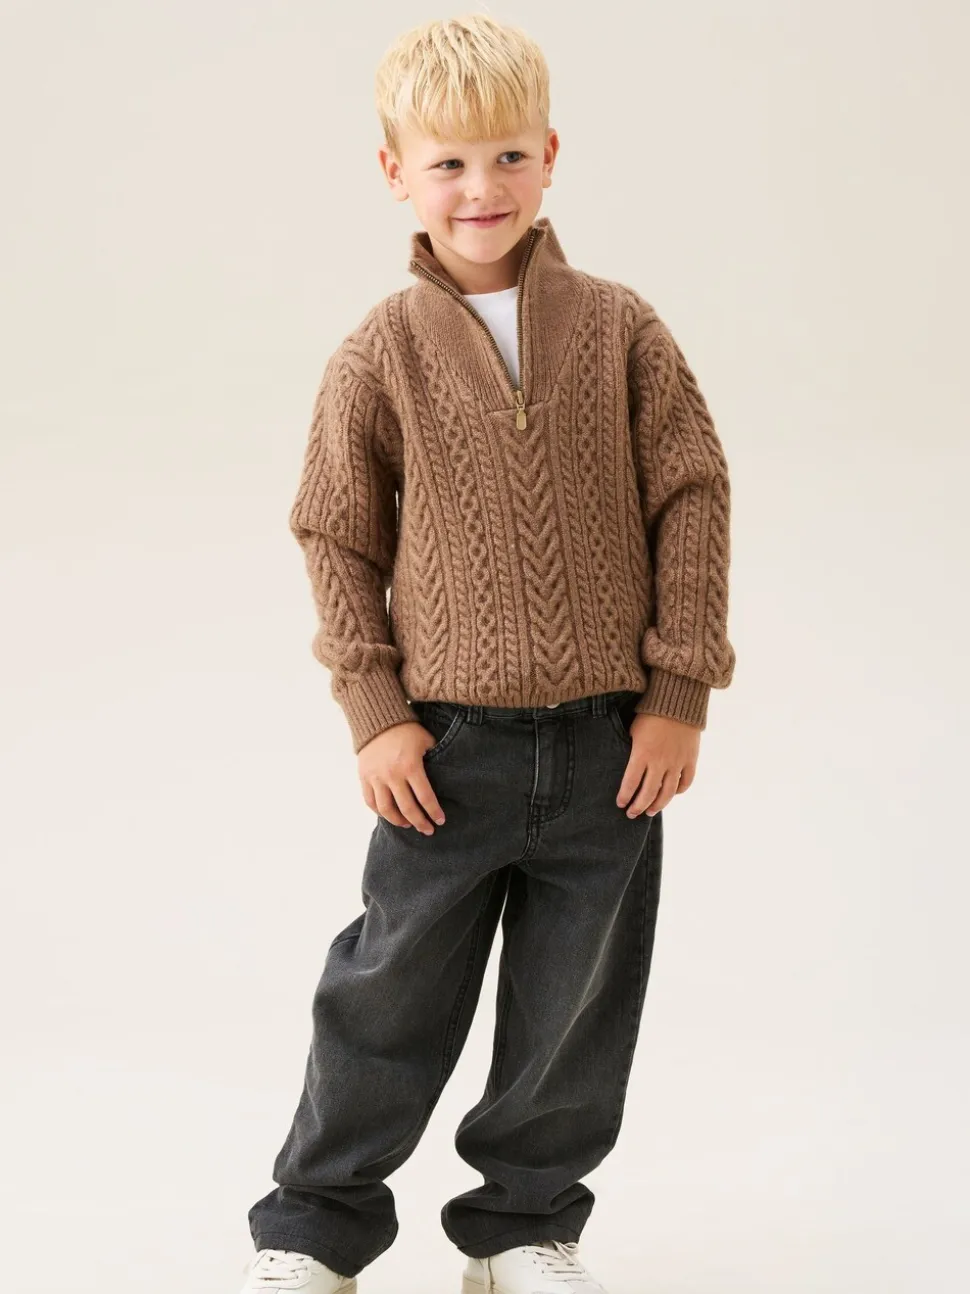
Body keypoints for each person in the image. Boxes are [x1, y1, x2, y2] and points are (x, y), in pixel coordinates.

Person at [241, 12, 736, 1294]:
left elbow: (691, 492)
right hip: (445, 751)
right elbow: (335, 532)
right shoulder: (381, 351)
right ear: (395, 172)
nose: (481, 187)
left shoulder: (622, 328)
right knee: (386, 997)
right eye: (449, 162)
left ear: (551, 155)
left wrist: (678, 687)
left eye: (509, 156)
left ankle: (522, 1227)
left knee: (574, 1008)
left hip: (611, 745)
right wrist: (375, 708)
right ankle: (313, 1230)